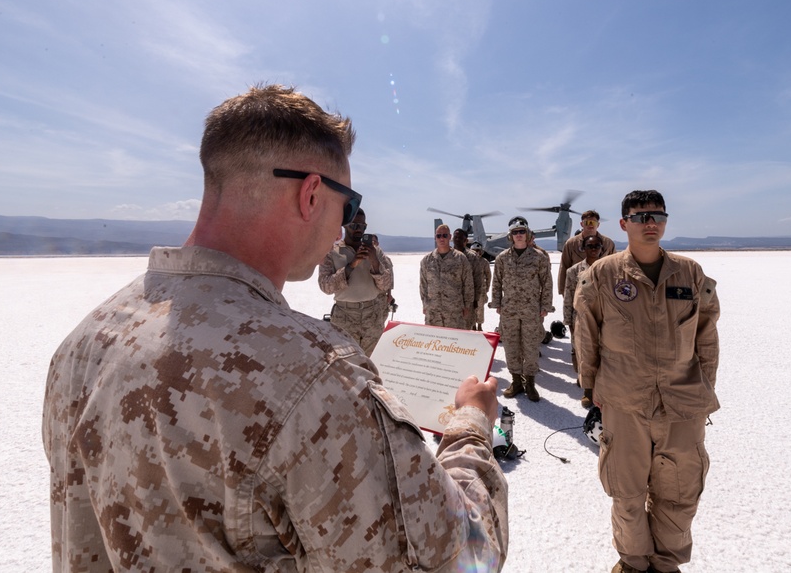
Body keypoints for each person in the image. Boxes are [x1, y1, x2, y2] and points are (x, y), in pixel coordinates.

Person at [42, 84, 508, 572]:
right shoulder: (314, 377)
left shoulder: (84, 343)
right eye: (345, 206)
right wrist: (471, 425)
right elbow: (460, 556)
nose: (341, 228)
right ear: (310, 193)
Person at [573, 190, 719, 573]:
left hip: (682, 403)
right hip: (624, 401)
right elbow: (586, 336)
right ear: (624, 224)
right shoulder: (602, 275)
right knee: (626, 492)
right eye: (641, 217)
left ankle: (667, 564)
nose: (651, 223)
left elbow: (707, 336)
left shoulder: (691, 274)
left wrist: (704, 389)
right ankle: (634, 563)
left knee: (680, 493)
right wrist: (590, 391)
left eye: (658, 215)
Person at [490, 216, 553, 402]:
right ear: (511, 236)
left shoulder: (538, 257)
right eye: (515, 232)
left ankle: (530, 383)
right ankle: (516, 381)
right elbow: (497, 283)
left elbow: (547, 283)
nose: (518, 235)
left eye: (522, 232)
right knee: (511, 345)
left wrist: (545, 306)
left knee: (531, 346)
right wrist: (497, 304)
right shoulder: (502, 258)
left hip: (531, 310)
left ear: (527, 234)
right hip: (509, 310)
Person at [318, 208, 394, 356]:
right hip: (345, 317)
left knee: (372, 361)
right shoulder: (331, 252)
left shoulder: (376, 251)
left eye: (362, 226)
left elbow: (386, 284)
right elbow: (325, 286)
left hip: (372, 317)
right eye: (354, 225)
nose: (359, 230)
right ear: (345, 225)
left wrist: (374, 261)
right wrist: (351, 265)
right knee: (346, 364)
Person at [562, 235, 604, 403]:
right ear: (583, 248)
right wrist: (568, 321)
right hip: (581, 317)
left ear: (601, 247)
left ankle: (602, 387)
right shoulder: (574, 271)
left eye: (597, 246)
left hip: (605, 316)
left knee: (605, 352)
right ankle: (587, 389)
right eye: (590, 246)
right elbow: (568, 296)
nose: (593, 249)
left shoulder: (608, 268)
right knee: (584, 353)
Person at [419, 223, 475, 329]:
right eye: (438, 235)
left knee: (455, 343)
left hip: (455, 314)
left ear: (450, 237)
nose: (441, 238)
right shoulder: (427, 260)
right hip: (433, 314)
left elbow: (468, 284)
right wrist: (425, 305)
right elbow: (423, 285)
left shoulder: (460, 259)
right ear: (435, 238)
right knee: (434, 343)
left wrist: (467, 306)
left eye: (445, 235)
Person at [557, 209, 615, 296]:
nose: (591, 225)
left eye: (593, 223)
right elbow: (564, 267)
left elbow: (614, 268)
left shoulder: (607, 243)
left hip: (602, 292)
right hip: (578, 291)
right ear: (582, 224)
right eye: (587, 222)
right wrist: (563, 291)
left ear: (598, 225)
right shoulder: (572, 244)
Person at [453, 228, 485, 331]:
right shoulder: (448, 255)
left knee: (467, 331)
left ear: (466, 241)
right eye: (455, 237)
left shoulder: (472, 257)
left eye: (460, 238)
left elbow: (478, 279)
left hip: (467, 303)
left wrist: (476, 299)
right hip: (450, 303)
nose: (457, 240)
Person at [470, 242, 492, 332]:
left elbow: (488, 276)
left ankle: (479, 325)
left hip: (481, 290)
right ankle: (473, 325)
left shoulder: (484, 262)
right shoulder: (468, 261)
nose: (477, 252)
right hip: (470, 289)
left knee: (480, 309)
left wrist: (486, 288)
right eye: (474, 250)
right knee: (471, 309)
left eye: (478, 250)